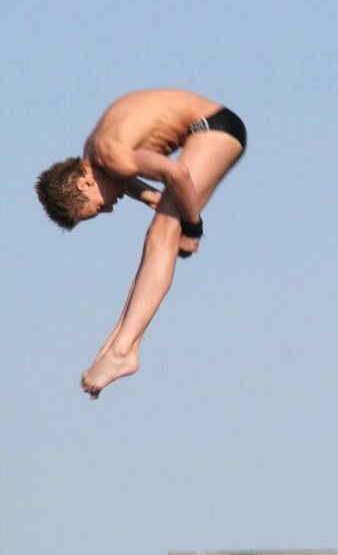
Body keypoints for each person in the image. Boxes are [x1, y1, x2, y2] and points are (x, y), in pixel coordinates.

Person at [35, 88, 246, 398]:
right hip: (204, 126)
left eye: (96, 208)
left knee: (162, 234)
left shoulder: (112, 157)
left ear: (84, 183)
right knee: (157, 235)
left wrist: (192, 227)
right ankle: (117, 344)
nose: (108, 210)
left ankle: (123, 351)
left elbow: (177, 172)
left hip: (213, 128)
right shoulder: (95, 155)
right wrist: (149, 196)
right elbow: (127, 175)